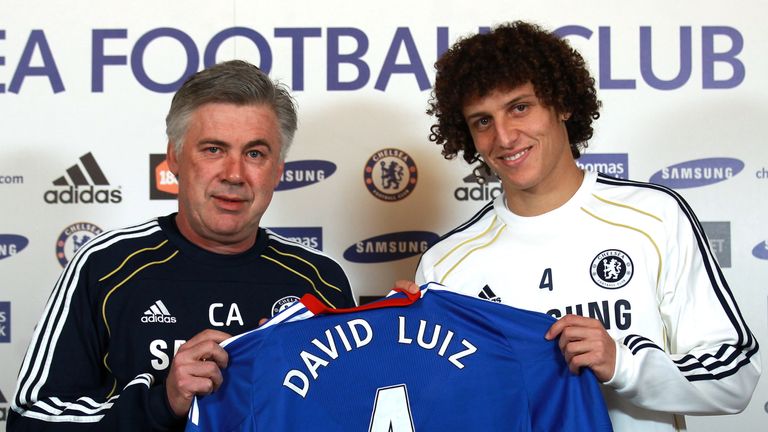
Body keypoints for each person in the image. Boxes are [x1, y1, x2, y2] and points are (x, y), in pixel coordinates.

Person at [415, 21, 760, 431]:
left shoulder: (653, 216)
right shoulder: (446, 266)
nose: (504, 137)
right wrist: (403, 338)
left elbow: (734, 377)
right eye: (482, 121)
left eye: (520, 107)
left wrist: (624, 364)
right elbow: (440, 409)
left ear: (562, 104)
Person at [9, 60, 356, 431]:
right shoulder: (105, 266)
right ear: (174, 158)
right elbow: (29, 421)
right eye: (213, 150)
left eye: (255, 153)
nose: (234, 174)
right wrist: (162, 402)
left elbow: (358, 411)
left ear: (279, 169)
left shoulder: (320, 281)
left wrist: (408, 334)